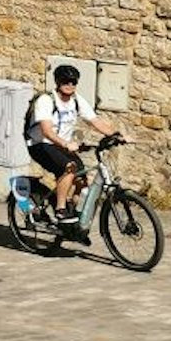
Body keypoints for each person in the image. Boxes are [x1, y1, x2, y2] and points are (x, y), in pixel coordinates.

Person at [25, 64, 117, 225]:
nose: (70, 85)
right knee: (69, 168)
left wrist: (117, 135)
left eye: (73, 82)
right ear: (57, 82)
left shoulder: (76, 100)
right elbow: (46, 131)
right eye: (65, 81)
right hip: (40, 144)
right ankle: (60, 210)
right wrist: (65, 143)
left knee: (81, 179)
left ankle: (73, 214)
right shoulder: (46, 100)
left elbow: (95, 121)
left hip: (61, 146)